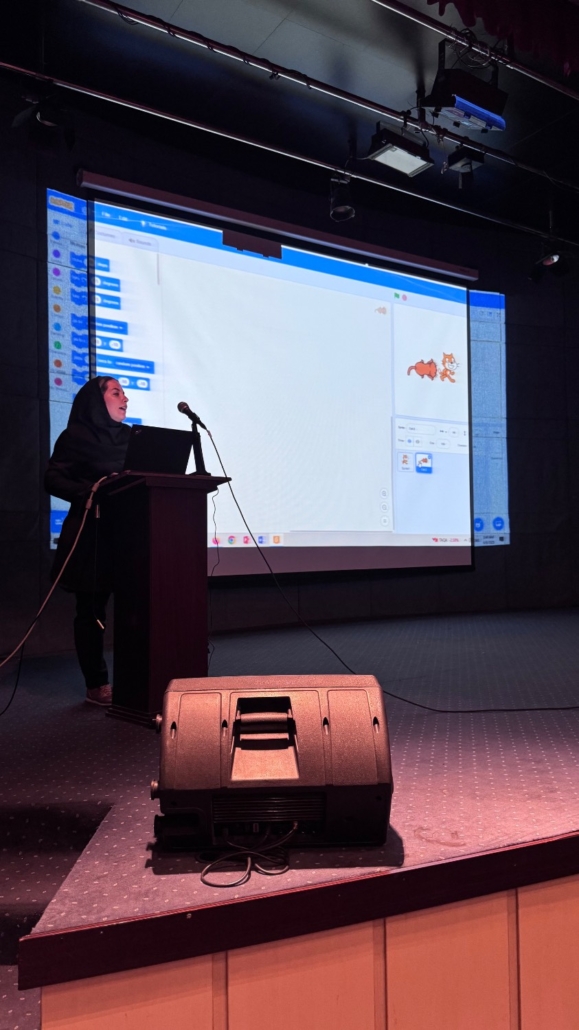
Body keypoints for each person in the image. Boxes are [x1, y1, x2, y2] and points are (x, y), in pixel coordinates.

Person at [45, 376, 130, 705]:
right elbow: (52, 478)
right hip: (91, 536)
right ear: (97, 401)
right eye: (116, 392)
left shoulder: (132, 437)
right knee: (92, 612)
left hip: (132, 536)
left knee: (137, 610)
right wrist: (90, 490)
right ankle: (97, 684)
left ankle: (139, 679)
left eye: (124, 393)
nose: (125, 399)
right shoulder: (75, 436)